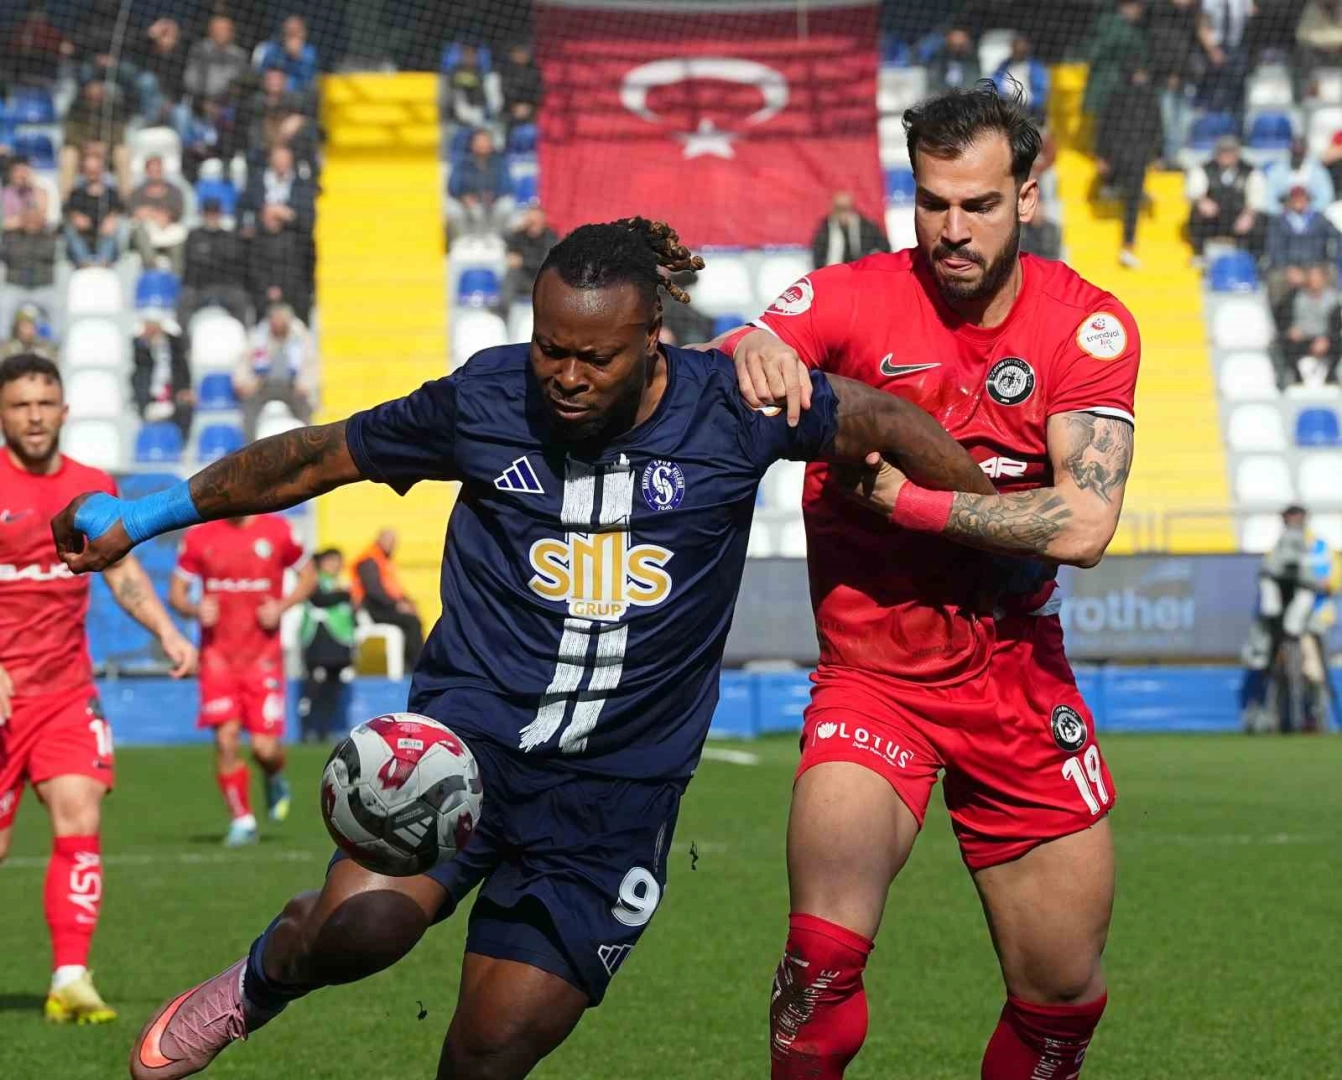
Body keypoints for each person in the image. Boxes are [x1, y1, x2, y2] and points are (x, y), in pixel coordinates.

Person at [52, 216, 1003, 1080]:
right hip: (463, 752)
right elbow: (317, 456)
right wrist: (144, 515)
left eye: (596, 356)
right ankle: (261, 980)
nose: (567, 375)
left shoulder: (736, 410)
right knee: (361, 931)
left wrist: (989, 533)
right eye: (551, 347)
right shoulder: (484, 398)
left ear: (653, 337)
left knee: (490, 1048)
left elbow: (889, 419)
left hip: (617, 799)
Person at [711, 83, 1139, 1079]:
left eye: (978, 205)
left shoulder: (1087, 327)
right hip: (874, 678)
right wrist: (755, 346)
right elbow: (749, 345)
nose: (952, 229)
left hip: (1015, 677)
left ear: (1026, 197)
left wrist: (909, 503)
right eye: (932, 202)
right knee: (817, 968)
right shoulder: (852, 295)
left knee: (1060, 1000)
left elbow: (1084, 525)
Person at [0, 353, 196, 1023]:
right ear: (3, 414)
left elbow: (121, 571)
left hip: (64, 692)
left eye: (44, 404)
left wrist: (167, 632)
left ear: (64, 410)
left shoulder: (89, 487)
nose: (34, 416)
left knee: (79, 812)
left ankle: (71, 978)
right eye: (20, 404)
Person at [168, 515, 314, 846]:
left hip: (263, 659)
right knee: (226, 739)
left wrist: (282, 606)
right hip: (217, 659)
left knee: (265, 749)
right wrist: (195, 609)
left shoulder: (278, 531)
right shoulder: (200, 536)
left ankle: (274, 774)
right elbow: (176, 594)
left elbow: (309, 576)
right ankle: (242, 820)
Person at [1241, 505, 1338, 733]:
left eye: (1297, 518)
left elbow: (1332, 581)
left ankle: (1316, 720)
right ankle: (1276, 720)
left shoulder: (1321, 548)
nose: (1293, 522)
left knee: (1313, 672)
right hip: (1281, 623)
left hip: (1313, 621)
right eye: (1289, 518)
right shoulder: (1276, 549)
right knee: (1276, 671)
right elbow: (1267, 578)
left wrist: (1309, 585)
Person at [1096, 64, 1163, 268]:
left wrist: (1157, 154)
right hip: (1120, 154)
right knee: (1130, 195)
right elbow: (1105, 125)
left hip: (1137, 156)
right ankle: (1112, 186)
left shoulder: (1150, 98)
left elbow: (1157, 126)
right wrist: (1102, 155)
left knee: (1133, 199)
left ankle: (1128, 245)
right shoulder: (1117, 96)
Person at [234, 302, 317, 440]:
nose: (278, 324)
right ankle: (250, 445)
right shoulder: (257, 337)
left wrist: (305, 384)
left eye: (281, 320)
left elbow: (311, 365)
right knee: (249, 407)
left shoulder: (302, 338)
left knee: (305, 407)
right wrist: (244, 383)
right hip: (262, 385)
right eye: (275, 320)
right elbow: (243, 362)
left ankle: (308, 442)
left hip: (293, 387)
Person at [298, 548, 356, 743]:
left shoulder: (341, 582)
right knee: (315, 684)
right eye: (331, 561)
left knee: (333, 685)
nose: (335, 565)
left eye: (337, 561)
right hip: (319, 640)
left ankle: (325, 728)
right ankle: (308, 729)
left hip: (339, 642)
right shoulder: (314, 580)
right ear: (321, 563)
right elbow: (320, 599)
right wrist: (343, 594)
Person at [1265, 185, 1341, 327]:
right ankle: (1281, 325)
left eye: (1303, 199)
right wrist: (1288, 268)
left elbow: (1337, 238)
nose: (1299, 202)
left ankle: (1331, 325)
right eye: (1295, 199)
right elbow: (1273, 248)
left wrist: (1325, 263)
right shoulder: (1278, 222)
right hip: (1288, 266)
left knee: (1332, 275)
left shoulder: (1319, 219)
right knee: (1275, 281)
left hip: (1316, 264)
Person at [350, 529, 424, 671]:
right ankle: (416, 666)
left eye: (394, 543)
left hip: (385, 607)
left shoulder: (384, 560)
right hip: (373, 609)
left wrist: (408, 603)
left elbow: (394, 589)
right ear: (379, 540)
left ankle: (410, 664)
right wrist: (397, 605)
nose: (392, 546)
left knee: (412, 618)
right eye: (389, 541)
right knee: (411, 622)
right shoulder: (369, 560)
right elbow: (373, 590)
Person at [1186, 134, 1267, 261]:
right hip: (1213, 218)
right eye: (1223, 151)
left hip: (1239, 217)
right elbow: (1192, 191)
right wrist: (1202, 201)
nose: (1226, 155)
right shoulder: (1203, 169)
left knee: (1261, 219)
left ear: (1237, 153)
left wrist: (1249, 214)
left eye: (1230, 151)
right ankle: (1199, 254)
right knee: (1195, 212)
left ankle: (1254, 259)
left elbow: (1257, 197)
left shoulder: (1251, 171)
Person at [179, 198, 253, 327]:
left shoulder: (229, 236)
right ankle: (184, 338)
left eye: (215, 213)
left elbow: (233, 263)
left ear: (220, 214)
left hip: (224, 285)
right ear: (203, 214)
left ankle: (242, 334)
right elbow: (191, 263)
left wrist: (208, 259)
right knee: (185, 299)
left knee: (240, 298)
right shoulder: (194, 235)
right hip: (198, 286)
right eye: (208, 213)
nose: (211, 216)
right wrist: (215, 260)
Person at [1148, 0, 1203, 167]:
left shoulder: (1188, 18)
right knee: (1168, 121)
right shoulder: (1159, 16)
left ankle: (1177, 156)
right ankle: (1168, 157)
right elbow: (1161, 49)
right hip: (1164, 79)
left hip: (1185, 78)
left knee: (1184, 122)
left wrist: (1182, 73)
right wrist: (1170, 73)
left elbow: (1190, 48)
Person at [131, 311, 194, 439]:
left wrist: (185, 389)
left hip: (173, 393)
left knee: (186, 406)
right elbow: (140, 373)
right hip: (150, 395)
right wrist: (148, 345)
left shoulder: (175, 344)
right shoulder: (139, 347)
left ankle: (181, 443)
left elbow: (183, 369)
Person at [1083, 0, 1149, 121]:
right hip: (1108, 88)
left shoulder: (1138, 28)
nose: (1140, 10)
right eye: (1136, 6)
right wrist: (1133, 71)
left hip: (1125, 91)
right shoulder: (1110, 25)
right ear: (1124, 7)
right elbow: (1110, 53)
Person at [1276, 263, 1341, 386]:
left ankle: (1330, 378)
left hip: (1324, 339)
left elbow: (1336, 325)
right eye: (1311, 278)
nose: (1314, 282)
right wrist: (1291, 329)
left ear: (1324, 280)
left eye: (1317, 279)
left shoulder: (1333, 300)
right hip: (1301, 339)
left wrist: (1326, 339)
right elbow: (1281, 316)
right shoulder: (1294, 297)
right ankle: (1296, 379)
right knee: (1283, 344)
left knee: (1338, 344)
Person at [1, 204, 59, 336]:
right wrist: (5, 228)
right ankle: (2, 341)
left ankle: (55, 343)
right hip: (15, 287)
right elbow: (7, 255)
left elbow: (47, 253)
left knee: (57, 307)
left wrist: (23, 254)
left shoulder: (49, 236)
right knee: (3, 305)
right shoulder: (11, 236)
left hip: (43, 287)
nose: (31, 222)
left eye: (34, 218)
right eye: (28, 218)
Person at [63, 147, 124, 269]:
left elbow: (121, 209)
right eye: (89, 171)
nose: (92, 174)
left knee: (118, 226)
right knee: (70, 228)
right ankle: (85, 264)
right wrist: (75, 217)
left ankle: (103, 263)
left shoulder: (111, 193)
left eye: (95, 170)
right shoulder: (76, 193)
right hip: (84, 238)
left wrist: (112, 218)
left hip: (105, 239)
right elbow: (67, 210)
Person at [447, 129, 514, 238]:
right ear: (472, 144)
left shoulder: (500, 163)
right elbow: (453, 186)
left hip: (493, 204)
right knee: (452, 209)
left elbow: (507, 185)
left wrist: (494, 196)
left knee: (507, 205)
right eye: (479, 142)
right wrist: (463, 197)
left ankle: (495, 238)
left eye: (485, 141)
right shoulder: (462, 163)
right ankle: (462, 239)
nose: (482, 145)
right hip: (468, 204)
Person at [128, 155, 188, 274]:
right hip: (145, 230)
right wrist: (155, 215)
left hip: (167, 229)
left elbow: (177, 213)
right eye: (152, 171)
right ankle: (152, 270)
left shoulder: (174, 191)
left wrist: (151, 213)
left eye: (158, 170)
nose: (155, 174)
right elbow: (135, 212)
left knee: (180, 237)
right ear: (147, 172)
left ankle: (176, 276)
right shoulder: (138, 192)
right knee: (139, 231)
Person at [810, 191, 890, 270]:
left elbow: (885, 249)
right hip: (835, 273)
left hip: (862, 271)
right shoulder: (825, 230)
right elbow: (818, 258)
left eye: (846, 208)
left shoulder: (867, 228)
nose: (843, 213)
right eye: (839, 209)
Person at [184, 15, 249, 111]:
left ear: (232, 33)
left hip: (225, 106)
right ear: (210, 31)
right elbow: (190, 80)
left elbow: (239, 86)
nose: (220, 33)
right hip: (197, 102)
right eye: (217, 29)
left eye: (224, 30)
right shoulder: (199, 50)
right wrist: (203, 102)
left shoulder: (239, 56)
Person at [502, 204, 559, 312]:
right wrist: (514, 229)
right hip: (524, 279)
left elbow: (546, 263)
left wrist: (523, 261)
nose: (533, 224)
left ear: (543, 221)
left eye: (536, 220)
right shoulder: (520, 235)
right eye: (530, 220)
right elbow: (503, 237)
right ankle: (504, 311)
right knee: (512, 273)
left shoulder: (551, 237)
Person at [1263, 137, 1335, 216]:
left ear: (1306, 151)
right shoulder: (1277, 170)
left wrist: (1309, 212)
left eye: (1300, 152)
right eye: (1295, 151)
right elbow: (1269, 198)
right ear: (1290, 150)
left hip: (1311, 216)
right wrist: (1283, 213)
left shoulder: (1318, 170)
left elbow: (1326, 197)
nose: (1297, 155)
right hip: (1283, 215)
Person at [254, 16, 318, 93]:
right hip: (271, 90)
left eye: (295, 32)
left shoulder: (309, 53)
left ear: (303, 33)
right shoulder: (272, 48)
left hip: (296, 93)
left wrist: (296, 56)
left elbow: (307, 79)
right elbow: (262, 71)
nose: (291, 36)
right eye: (289, 32)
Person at [990, 36, 1049, 122]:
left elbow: (1040, 90)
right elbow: (995, 82)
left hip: (1028, 108)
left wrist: (1028, 100)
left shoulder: (1035, 66)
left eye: (1022, 50)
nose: (1019, 52)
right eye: (1016, 49)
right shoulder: (1004, 65)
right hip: (1006, 103)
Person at [927, 25, 980, 93]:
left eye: (960, 46)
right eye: (953, 45)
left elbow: (973, 80)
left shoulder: (973, 60)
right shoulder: (938, 58)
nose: (957, 49)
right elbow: (934, 80)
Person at [3, 157, 50, 229]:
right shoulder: (4, 194)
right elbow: (4, 223)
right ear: (10, 173)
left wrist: (33, 186)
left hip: (35, 233)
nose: (22, 175)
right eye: (18, 171)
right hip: (10, 234)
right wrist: (25, 219)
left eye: (25, 171)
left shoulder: (39, 192)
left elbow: (41, 218)